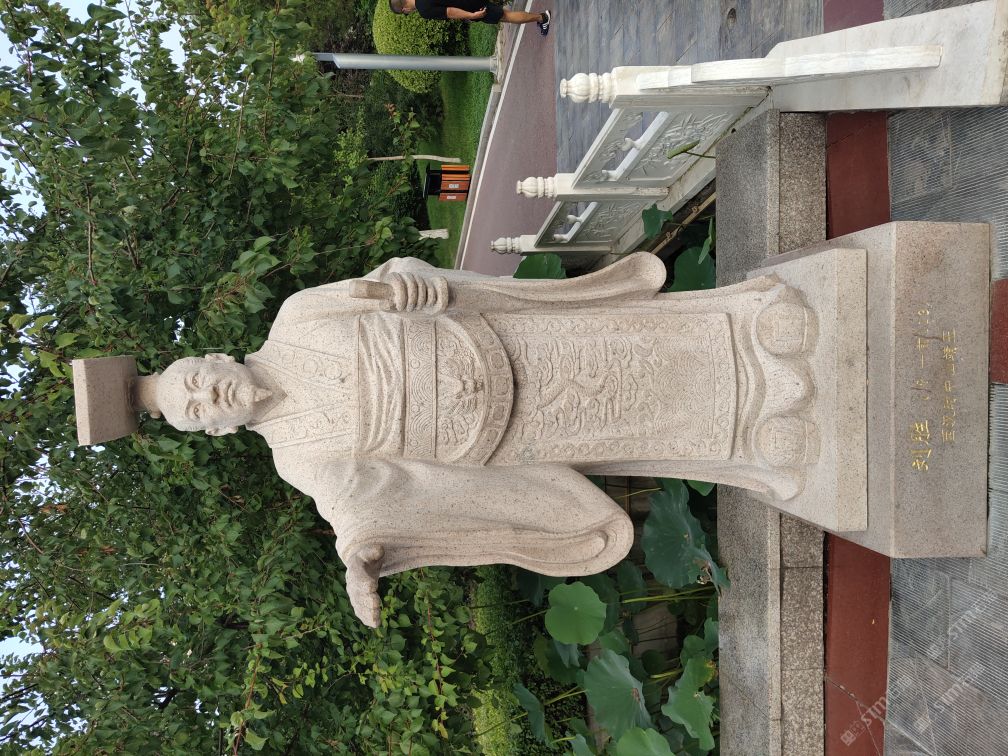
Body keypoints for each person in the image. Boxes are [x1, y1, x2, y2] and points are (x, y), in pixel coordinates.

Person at [92, 254, 813, 628]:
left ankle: (751, 331)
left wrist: (411, 282)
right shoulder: (296, 458)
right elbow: (356, 506)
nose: (207, 396)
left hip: (507, 344)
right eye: (197, 411)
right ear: (215, 430)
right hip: (510, 433)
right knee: (633, 416)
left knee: (622, 349)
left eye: (195, 380)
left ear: (213, 358)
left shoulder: (298, 317)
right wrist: (359, 556)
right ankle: (758, 435)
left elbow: (388, 281)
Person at [389, 0, 551, 36]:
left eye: (406, 13)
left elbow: (450, 12)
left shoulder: (424, 10)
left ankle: (542, 18)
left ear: (404, 9)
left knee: (505, 16)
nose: (408, 13)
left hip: (472, 6)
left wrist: (471, 15)